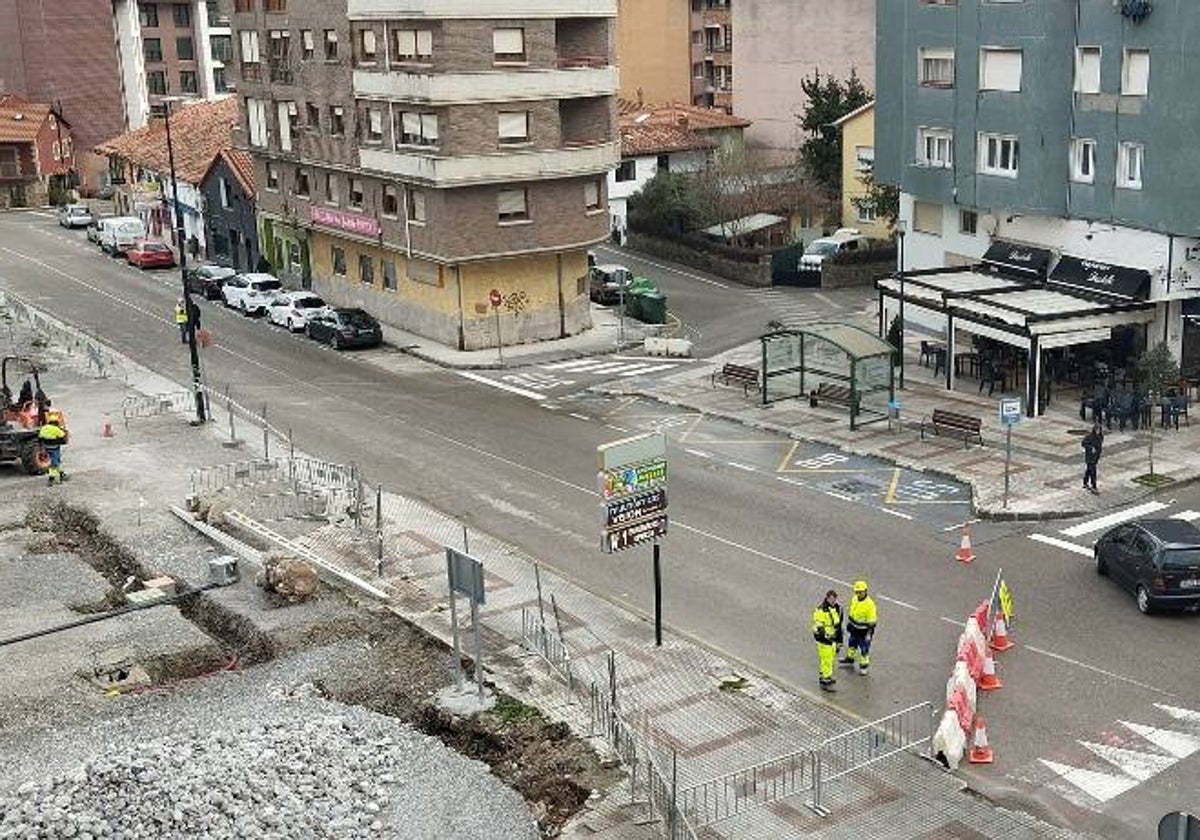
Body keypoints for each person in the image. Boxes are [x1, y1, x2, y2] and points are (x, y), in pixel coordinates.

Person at [841, 580, 878, 674]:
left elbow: (872, 622)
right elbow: (852, 612)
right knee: (852, 644)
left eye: (861, 592)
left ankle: (863, 667)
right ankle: (850, 659)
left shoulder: (870, 604)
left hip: (864, 631)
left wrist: (869, 634)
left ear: (865, 591)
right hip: (854, 628)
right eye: (857, 592)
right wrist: (849, 624)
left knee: (864, 649)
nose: (859, 594)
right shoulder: (854, 598)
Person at [811, 589, 843, 692]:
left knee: (828, 659)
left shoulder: (837, 608)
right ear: (827, 598)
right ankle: (826, 682)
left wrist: (838, 641)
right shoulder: (821, 610)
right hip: (824, 640)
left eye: (834, 599)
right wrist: (824, 636)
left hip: (832, 639)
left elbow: (838, 626)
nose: (833, 601)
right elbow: (818, 627)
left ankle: (824, 677)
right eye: (831, 599)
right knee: (827, 660)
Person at [38, 409, 69, 485]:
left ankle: (62, 474)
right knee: (54, 463)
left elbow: (40, 437)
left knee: (55, 461)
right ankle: (52, 478)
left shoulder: (44, 428)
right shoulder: (56, 429)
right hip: (55, 448)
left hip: (46, 447)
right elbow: (63, 436)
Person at [1082, 423, 1103, 494]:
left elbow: (1100, 445)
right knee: (1093, 472)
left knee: (1089, 470)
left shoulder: (1100, 437)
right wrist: (1091, 448)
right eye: (1097, 430)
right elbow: (1083, 443)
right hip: (1090, 457)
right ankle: (1094, 486)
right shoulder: (1089, 437)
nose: (1098, 431)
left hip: (1096, 457)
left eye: (1099, 430)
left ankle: (1085, 482)